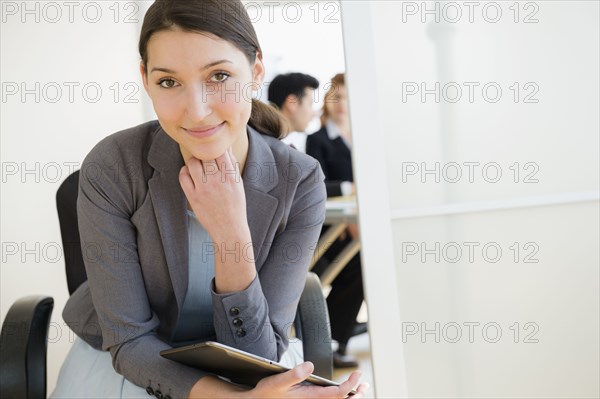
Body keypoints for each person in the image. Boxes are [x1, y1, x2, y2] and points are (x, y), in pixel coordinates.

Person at [51, 1, 368, 398]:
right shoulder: (113, 165)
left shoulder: (300, 180)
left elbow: (259, 355)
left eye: (219, 75)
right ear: (145, 79)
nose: (197, 111)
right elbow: (130, 341)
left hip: (244, 362)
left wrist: (231, 232)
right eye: (168, 82)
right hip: (126, 361)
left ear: (255, 72)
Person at [306, 73, 366, 369]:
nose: (342, 104)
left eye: (347, 97)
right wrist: (350, 190)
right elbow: (317, 185)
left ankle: (335, 341)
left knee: (361, 269)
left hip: (358, 224)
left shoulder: (361, 137)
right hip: (330, 230)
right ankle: (326, 344)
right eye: (336, 97)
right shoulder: (317, 140)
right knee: (352, 268)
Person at [268, 72, 320, 153]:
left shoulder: (267, 142)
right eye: (310, 104)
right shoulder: (272, 149)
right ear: (292, 103)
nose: (314, 113)